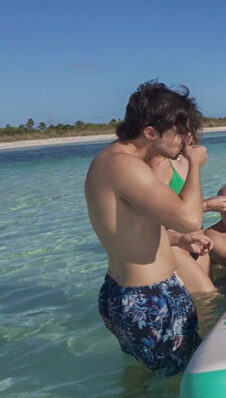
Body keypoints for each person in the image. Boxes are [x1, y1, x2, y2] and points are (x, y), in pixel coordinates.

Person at [86, 80, 208, 376]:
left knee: (139, 376)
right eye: (180, 131)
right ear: (150, 132)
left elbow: (130, 228)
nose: (187, 139)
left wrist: (176, 240)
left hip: (123, 294)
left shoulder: (108, 161)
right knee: (181, 384)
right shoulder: (126, 167)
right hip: (149, 300)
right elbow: (190, 218)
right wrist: (194, 166)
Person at [149, 154, 226, 293]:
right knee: (209, 297)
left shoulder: (189, 160)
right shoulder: (160, 163)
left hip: (197, 240)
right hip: (175, 243)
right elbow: (161, 211)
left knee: (205, 299)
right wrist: (208, 205)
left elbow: (190, 203)